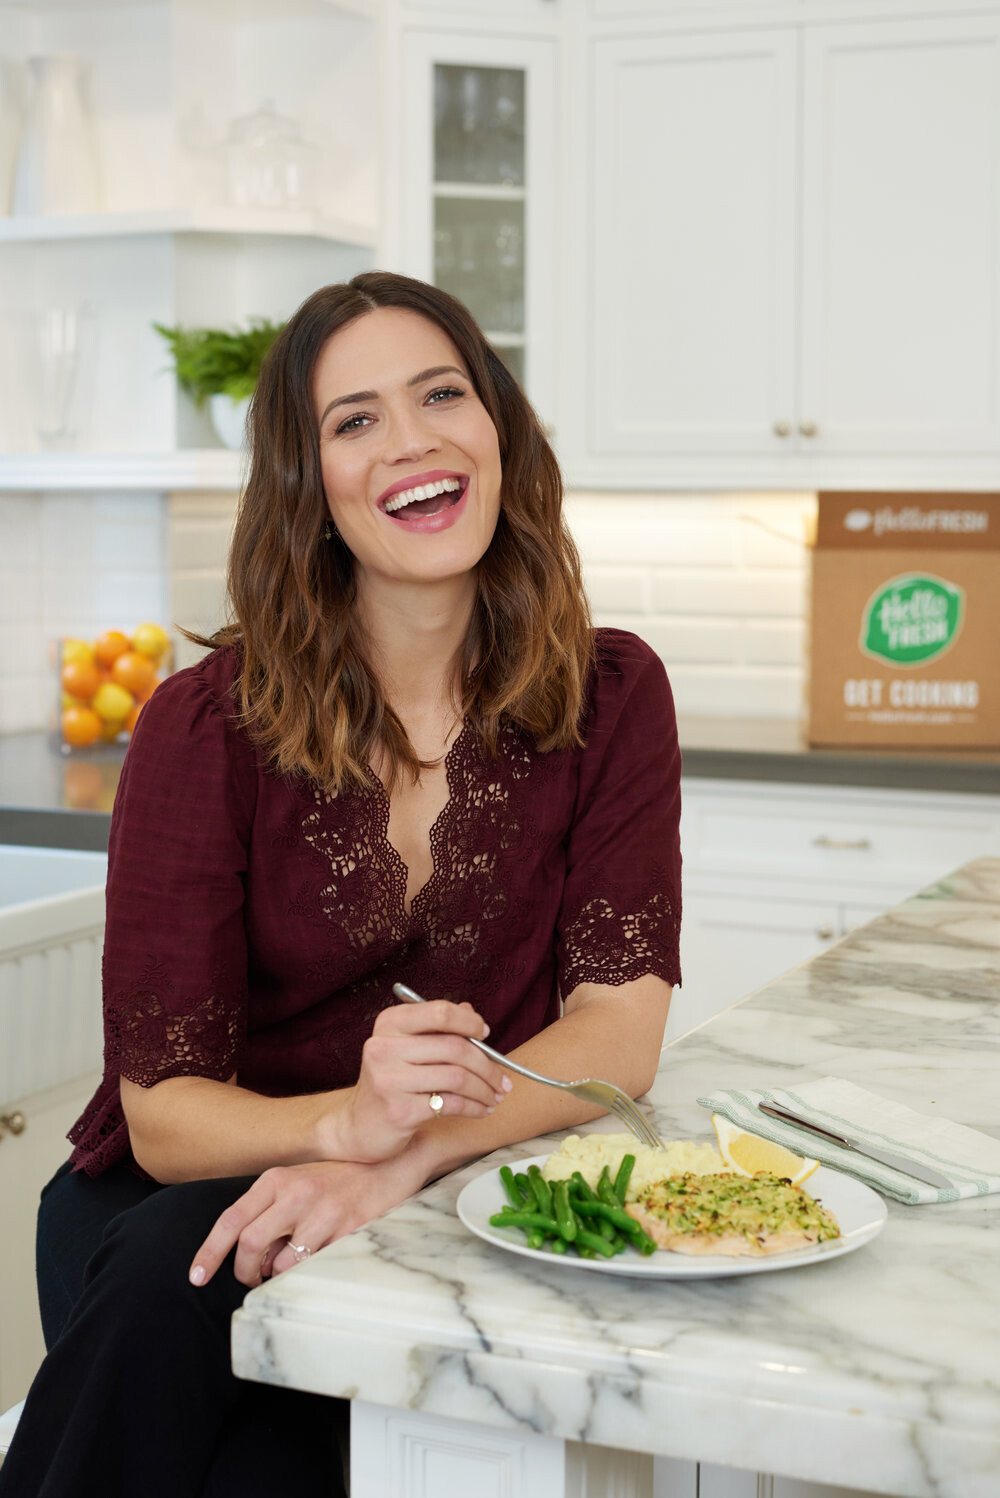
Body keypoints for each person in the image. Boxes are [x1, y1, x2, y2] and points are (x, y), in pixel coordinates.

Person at [0, 271, 681, 1497]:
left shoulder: (612, 695)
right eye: (355, 419)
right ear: (308, 485)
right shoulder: (202, 729)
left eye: (441, 394)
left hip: (424, 1205)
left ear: (500, 429)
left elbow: (618, 1036)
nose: (411, 439)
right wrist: (341, 1128)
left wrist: (399, 1157)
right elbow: (163, 1116)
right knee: (179, 1265)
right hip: (178, 1225)